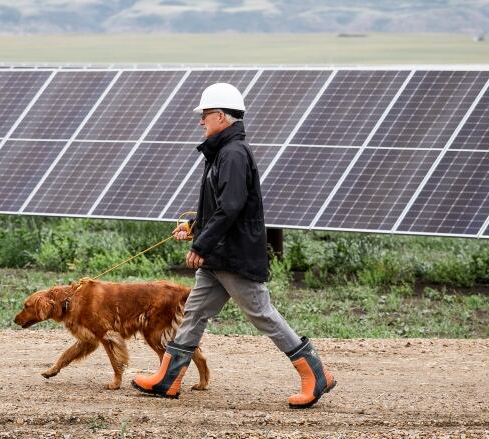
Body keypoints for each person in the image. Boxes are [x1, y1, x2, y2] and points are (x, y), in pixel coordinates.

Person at [131, 83, 336, 409]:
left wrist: (201, 245)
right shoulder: (222, 152)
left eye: (205, 115)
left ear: (222, 117)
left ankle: (315, 373)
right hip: (219, 254)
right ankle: (168, 379)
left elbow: (232, 207)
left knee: (262, 314)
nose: (201, 121)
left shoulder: (233, 154)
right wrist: (195, 226)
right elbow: (219, 208)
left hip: (234, 255)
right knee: (194, 313)